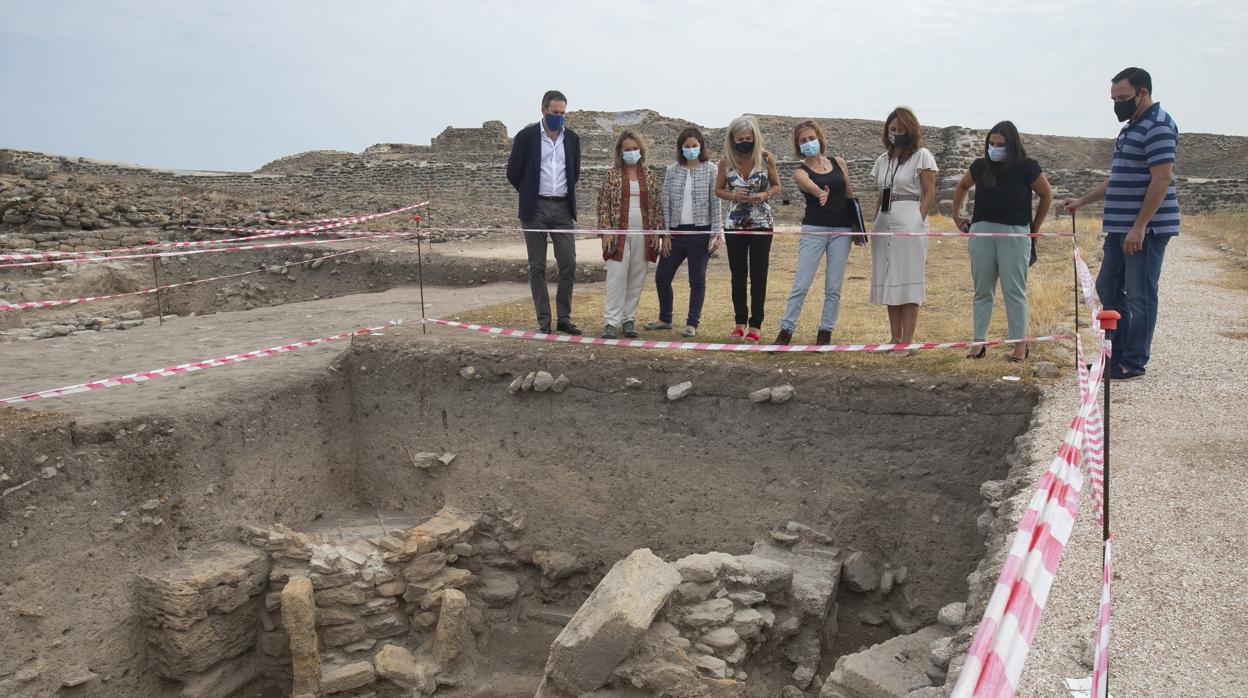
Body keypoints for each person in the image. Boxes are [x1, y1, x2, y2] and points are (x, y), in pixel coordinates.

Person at [1062, 67, 1180, 381]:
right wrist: (1082, 201)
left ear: (1143, 92)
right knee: (1107, 287)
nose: (1118, 104)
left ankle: (1132, 361)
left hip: (1145, 230)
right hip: (1119, 228)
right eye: (1114, 99)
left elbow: (1162, 178)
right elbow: (1117, 179)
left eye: (1124, 98)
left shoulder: (1158, 126)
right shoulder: (1130, 128)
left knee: (1140, 294)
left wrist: (1140, 226)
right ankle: (1114, 355)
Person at [951, 121, 1054, 361]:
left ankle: (1020, 345)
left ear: (1012, 145)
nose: (995, 148)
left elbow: (1046, 194)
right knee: (982, 289)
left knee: (1014, 290)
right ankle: (978, 342)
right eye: (992, 144)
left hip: (1015, 233)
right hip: (982, 232)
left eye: (1001, 145)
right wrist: (956, 216)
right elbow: (962, 186)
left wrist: (1034, 229)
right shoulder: (979, 166)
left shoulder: (1028, 167)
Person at [776, 120, 860, 346]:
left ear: (819, 138)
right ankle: (786, 330)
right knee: (801, 283)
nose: (808, 143)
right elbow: (806, 184)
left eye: (811, 138)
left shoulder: (838, 162)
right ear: (798, 146)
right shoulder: (800, 171)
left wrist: (857, 226)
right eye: (803, 141)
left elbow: (849, 194)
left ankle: (825, 333)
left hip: (842, 229)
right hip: (815, 229)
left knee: (833, 286)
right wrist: (819, 192)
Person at [506, 89, 583, 335]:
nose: (558, 117)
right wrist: (529, 192)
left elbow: (575, 172)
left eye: (562, 113)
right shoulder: (526, 136)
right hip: (535, 207)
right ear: (543, 110)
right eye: (554, 112)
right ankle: (544, 320)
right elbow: (513, 171)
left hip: (562, 207)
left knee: (568, 262)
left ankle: (564, 317)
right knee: (537, 266)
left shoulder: (572, 138)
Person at [869, 107, 938, 356]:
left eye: (901, 129)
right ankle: (894, 338)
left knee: (907, 278)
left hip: (909, 216)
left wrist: (918, 219)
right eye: (893, 129)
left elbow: (929, 191)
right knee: (890, 278)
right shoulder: (883, 160)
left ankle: (906, 342)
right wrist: (873, 222)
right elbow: (880, 194)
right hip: (885, 218)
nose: (897, 133)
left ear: (911, 130)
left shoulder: (922, 156)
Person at [645, 128, 723, 337]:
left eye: (694, 146)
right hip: (677, 234)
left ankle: (692, 323)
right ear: (681, 148)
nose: (690, 149)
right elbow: (666, 203)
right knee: (662, 276)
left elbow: (715, 203)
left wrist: (716, 233)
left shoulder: (711, 169)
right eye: (686, 146)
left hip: (701, 232)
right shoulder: (672, 171)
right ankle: (665, 318)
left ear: (701, 146)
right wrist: (667, 234)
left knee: (697, 279)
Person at [715, 116, 781, 342]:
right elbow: (718, 190)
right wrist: (733, 195)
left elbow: (776, 185)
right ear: (732, 140)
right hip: (734, 224)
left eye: (748, 138)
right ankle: (739, 321)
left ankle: (756, 324)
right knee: (738, 274)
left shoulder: (765, 158)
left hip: (762, 222)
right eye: (740, 139)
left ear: (755, 138)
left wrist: (765, 194)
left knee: (759, 274)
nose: (744, 142)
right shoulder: (725, 162)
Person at [596, 131, 665, 339]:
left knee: (636, 278)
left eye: (635, 149)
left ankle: (628, 320)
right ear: (620, 152)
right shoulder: (612, 175)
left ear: (641, 150)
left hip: (643, 234)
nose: (632, 152)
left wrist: (656, 231)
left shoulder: (650, 176)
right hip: (618, 234)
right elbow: (603, 205)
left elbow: (656, 205)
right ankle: (610, 322)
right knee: (616, 277)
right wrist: (606, 231)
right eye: (628, 149)